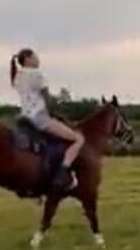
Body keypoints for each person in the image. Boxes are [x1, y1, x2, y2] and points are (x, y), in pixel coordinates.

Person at [11, 48, 85, 190]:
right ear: (27, 58)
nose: (38, 59)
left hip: (24, 117)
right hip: (39, 117)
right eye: (35, 56)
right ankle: (63, 174)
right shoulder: (36, 74)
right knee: (78, 139)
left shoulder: (17, 76)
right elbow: (46, 97)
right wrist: (53, 111)